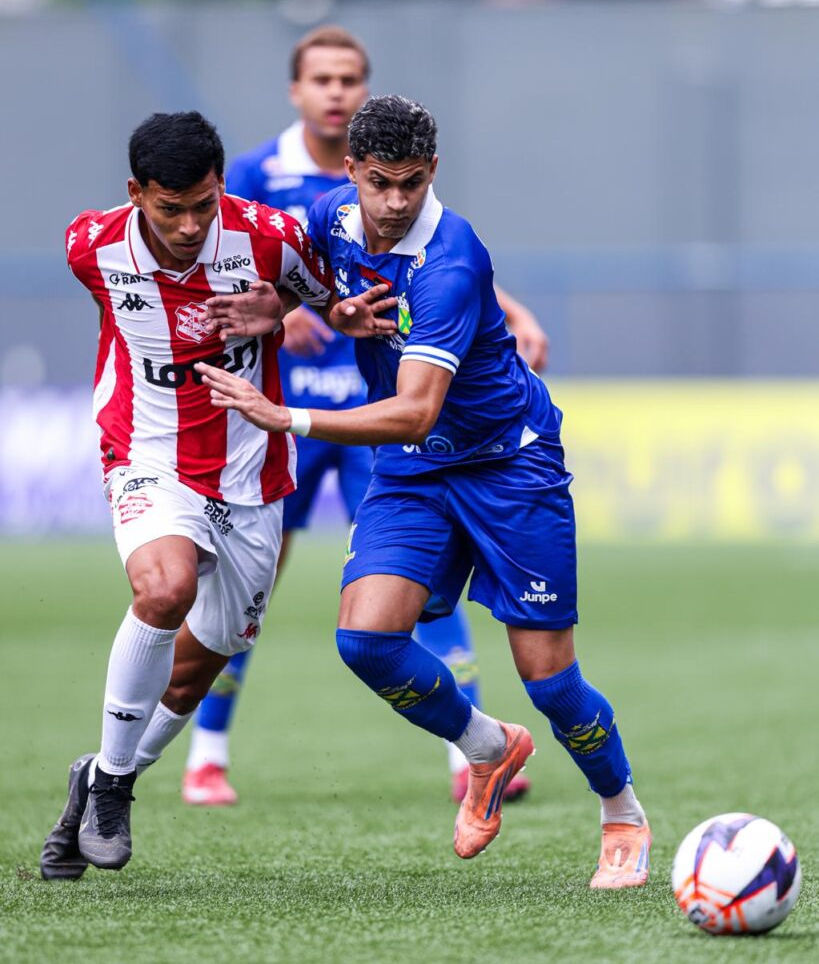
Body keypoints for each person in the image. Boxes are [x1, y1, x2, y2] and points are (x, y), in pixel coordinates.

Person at [197, 95, 652, 887]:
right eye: (380, 182)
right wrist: (313, 308)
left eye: (411, 183)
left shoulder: (449, 262)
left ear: (432, 172)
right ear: (353, 173)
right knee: (365, 640)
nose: (395, 201)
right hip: (417, 470)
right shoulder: (331, 216)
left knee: (550, 682)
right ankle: (484, 745)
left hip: (509, 464)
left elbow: (414, 408)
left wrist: (285, 416)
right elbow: (304, 288)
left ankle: (621, 812)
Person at [183, 25, 548, 807]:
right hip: (284, 403)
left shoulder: (398, 184)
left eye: (350, 78)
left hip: (378, 409)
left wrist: (512, 311)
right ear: (298, 92)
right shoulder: (256, 175)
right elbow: (248, 278)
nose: (336, 91)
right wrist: (280, 311)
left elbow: (442, 276)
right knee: (253, 582)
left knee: (414, 573)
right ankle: (207, 755)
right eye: (322, 78)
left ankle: (468, 752)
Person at [39, 110, 390, 879]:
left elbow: (336, 301)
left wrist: (293, 310)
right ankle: (116, 795)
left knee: (205, 661)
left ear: (221, 185)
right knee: (161, 591)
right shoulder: (90, 247)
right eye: (171, 208)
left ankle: (103, 773)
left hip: (251, 470)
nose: (192, 224)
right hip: (146, 452)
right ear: (136, 193)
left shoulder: (270, 237)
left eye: (204, 203)